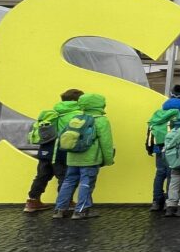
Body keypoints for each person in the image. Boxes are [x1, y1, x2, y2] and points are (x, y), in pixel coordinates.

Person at [53, 92, 114, 220]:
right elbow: (106, 142)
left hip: (72, 158)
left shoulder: (75, 118)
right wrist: (108, 159)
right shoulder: (101, 120)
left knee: (68, 182)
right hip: (90, 159)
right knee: (86, 183)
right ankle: (81, 211)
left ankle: (59, 210)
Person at [23, 88, 83, 213]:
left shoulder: (52, 113)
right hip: (62, 152)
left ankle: (32, 201)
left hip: (45, 150)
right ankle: (66, 202)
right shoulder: (77, 115)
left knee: (41, 176)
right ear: (76, 101)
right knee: (65, 178)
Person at [146, 92, 180, 213]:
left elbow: (149, 131)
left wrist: (149, 148)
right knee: (172, 174)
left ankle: (156, 201)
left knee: (160, 173)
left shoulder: (157, 115)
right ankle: (169, 202)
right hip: (173, 149)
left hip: (158, 148)